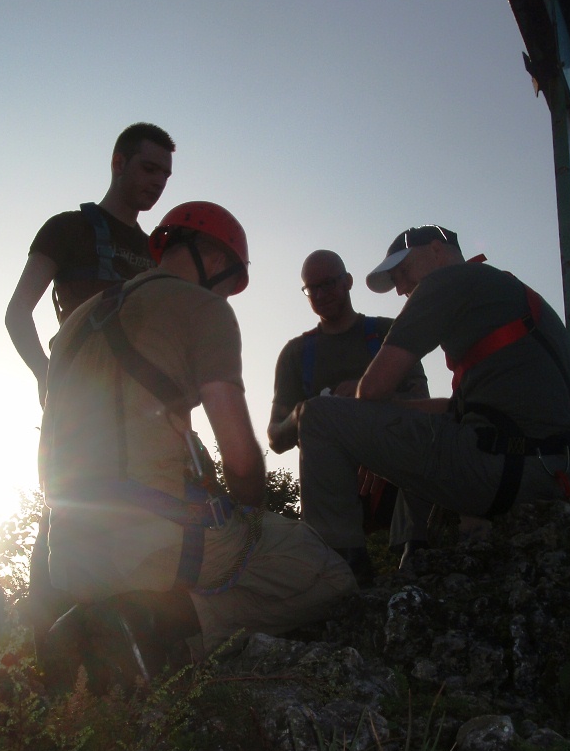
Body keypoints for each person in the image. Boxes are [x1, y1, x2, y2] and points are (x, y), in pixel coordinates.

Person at [37, 202, 357, 695]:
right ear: (214, 258)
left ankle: (101, 624)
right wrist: (251, 513)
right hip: (154, 545)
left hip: (68, 555)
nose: (226, 295)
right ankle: (156, 629)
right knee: (330, 575)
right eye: (230, 283)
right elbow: (242, 459)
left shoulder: (75, 322)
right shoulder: (203, 308)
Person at [297, 224, 570, 554]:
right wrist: (375, 427)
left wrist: (359, 412)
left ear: (436, 250)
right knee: (422, 429)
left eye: (402, 272)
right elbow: (456, 409)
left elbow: (372, 389)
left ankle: (330, 566)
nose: (401, 289)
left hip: (505, 470)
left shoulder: (446, 280)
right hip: (564, 472)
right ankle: (413, 556)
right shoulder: (502, 292)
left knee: (317, 416)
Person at [5, 122, 175, 661]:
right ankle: (50, 662)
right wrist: (45, 376)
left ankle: (124, 660)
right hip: (81, 404)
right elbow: (17, 313)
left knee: (142, 522)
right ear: (118, 163)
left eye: (166, 175)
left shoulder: (158, 251)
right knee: (67, 515)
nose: (158, 182)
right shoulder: (68, 229)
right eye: (149, 168)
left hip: (143, 413)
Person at [267, 250, 430, 580]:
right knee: (317, 420)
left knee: (428, 435)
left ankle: (416, 552)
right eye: (312, 288)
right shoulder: (296, 354)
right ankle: (343, 568)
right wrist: (305, 413)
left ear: (348, 282)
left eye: (328, 283)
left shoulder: (387, 334)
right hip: (331, 484)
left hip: (394, 470)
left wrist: (366, 395)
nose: (321, 294)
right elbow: (275, 437)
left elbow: (421, 403)